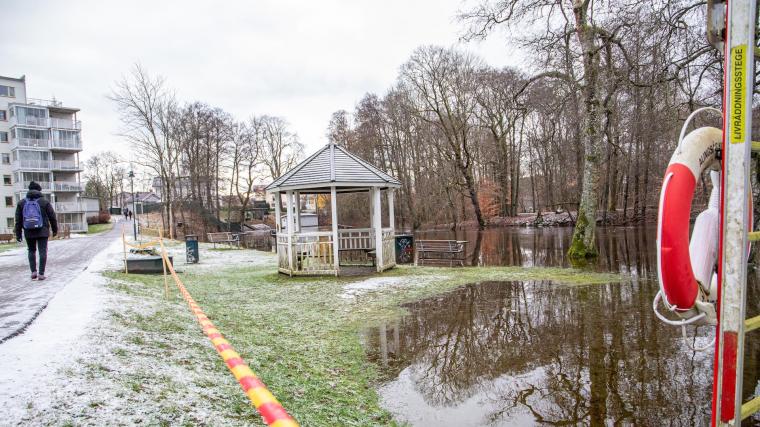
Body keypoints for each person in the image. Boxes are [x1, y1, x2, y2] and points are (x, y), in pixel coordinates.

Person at [14, 181, 57, 281]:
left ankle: (33, 272)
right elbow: (52, 217)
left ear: (29, 190)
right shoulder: (44, 201)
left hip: (28, 231)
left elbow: (18, 220)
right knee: (42, 251)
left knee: (31, 250)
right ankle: (41, 274)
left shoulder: (22, 203)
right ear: (39, 190)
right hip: (43, 230)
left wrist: (18, 234)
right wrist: (55, 230)